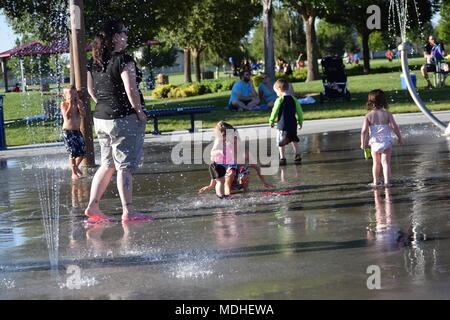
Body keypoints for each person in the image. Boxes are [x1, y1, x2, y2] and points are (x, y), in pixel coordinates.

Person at [85, 20, 151, 224]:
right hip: (123, 118)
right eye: (125, 32)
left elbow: (91, 91)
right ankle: (128, 211)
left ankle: (93, 206)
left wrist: (105, 104)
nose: (127, 35)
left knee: (107, 164)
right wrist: (139, 112)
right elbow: (131, 90)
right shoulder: (124, 59)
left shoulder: (94, 61)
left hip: (101, 118)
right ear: (115, 36)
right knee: (125, 166)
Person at [199, 121, 274, 198]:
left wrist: (264, 182)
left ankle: (246, 190)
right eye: (231, 139)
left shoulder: (245, 152)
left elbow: (257, 167)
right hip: (226, 183)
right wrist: (211, 185)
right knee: (230, 172)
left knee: (245, 171)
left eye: (236, 139)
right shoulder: (225, 150)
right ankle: (225, 195)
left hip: (236, 182)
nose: (234, 141)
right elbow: (217, 169)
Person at [360, 89, 403, 188]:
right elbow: (394, 127)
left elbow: (364, 131)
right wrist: (400, 138)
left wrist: (363, 143)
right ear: (384, 101)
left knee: (376, 163)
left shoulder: (368, 116)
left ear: (370, 102)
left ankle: (375, 182)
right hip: (386, 141)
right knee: (386, 163)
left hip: (374, 142)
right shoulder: (387, 114)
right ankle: (387, 182)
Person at [269, 79, 304, 166]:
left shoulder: (279, 100)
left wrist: (271, 121)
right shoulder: (294, 99)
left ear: (280, 89)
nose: (276, 93)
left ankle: (282, 158)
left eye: (276, 91)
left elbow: (275, 111)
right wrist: (300, 121)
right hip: (293, 124)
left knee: (281, 142)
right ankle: (298, 154)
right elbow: (299, 111)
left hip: (282, 125)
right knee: (294, 139)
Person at [60, 85, 86, 180]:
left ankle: (75, 167)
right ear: (65, 96)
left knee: (83, 153)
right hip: (68, 132)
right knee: (72, 152)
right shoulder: (64, 104)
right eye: (71, 95)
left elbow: (84, 115)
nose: (74, 97)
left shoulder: (79, 103)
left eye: (75, 94)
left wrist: (80, 108)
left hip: (77, 131)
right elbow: (67, 116)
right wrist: (71, 104)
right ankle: (73, 173)